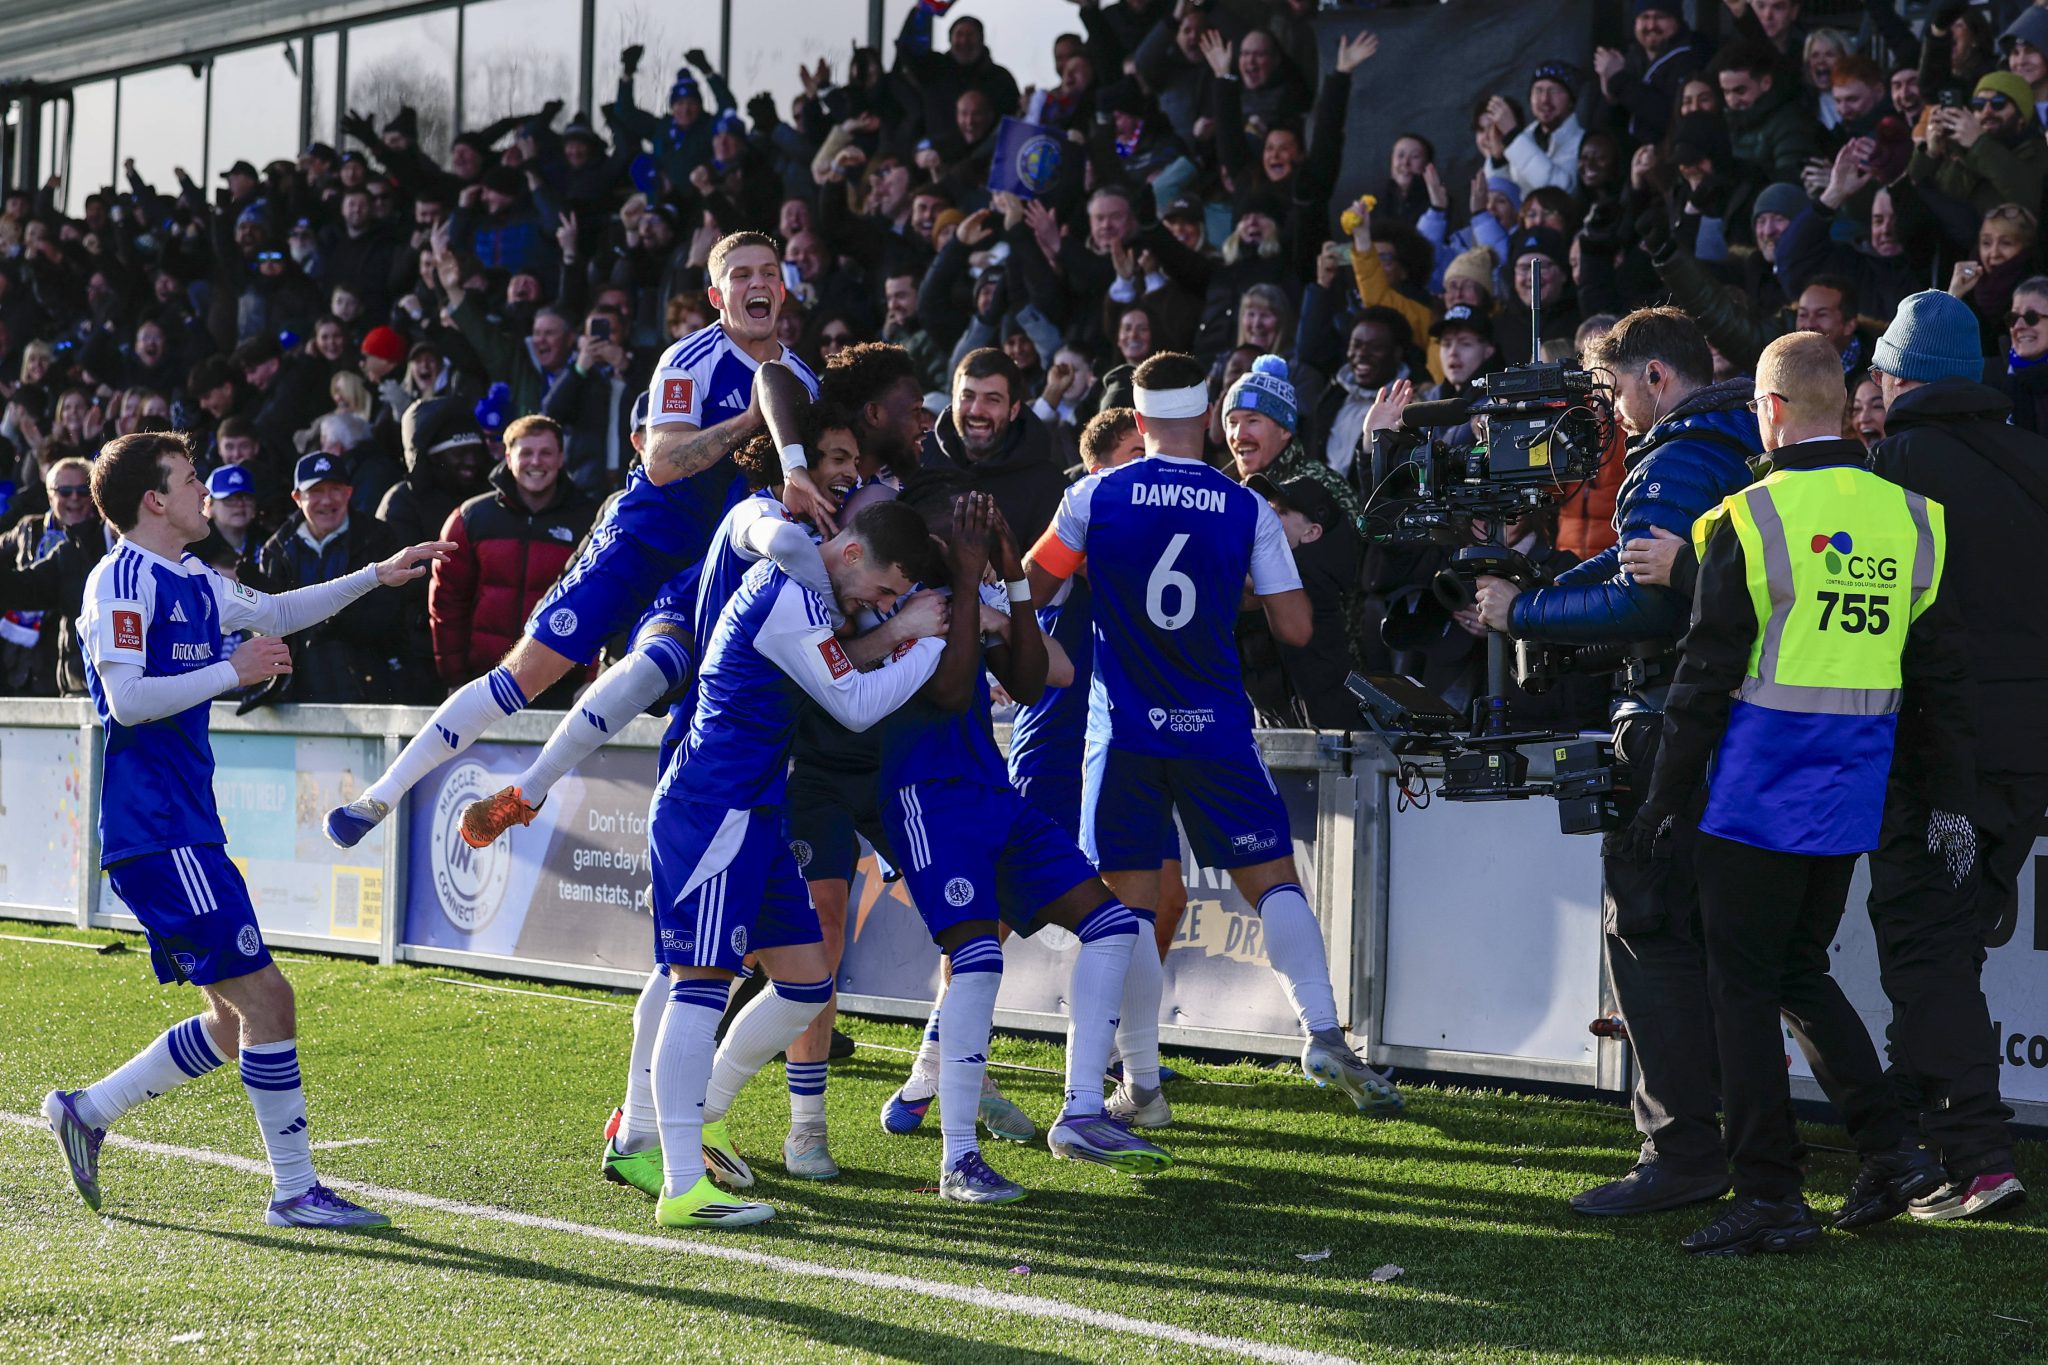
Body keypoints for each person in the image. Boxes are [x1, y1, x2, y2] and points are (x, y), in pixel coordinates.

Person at [40, 430, 450, 1230]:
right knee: (271, 1000)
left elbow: (279, 611)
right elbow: (125, 701)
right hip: (156, 829)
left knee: (235, 1021)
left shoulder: (193, 575)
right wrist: (237, 670)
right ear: (155, 499)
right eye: (191, 480)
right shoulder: (120, 580)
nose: (205, 493)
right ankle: (294, 1189)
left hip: (183, 824)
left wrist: (376, 574)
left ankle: (86, 1112)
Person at [1620, 331, 1967, 1254]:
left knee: (1741, 987)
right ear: (1848, 405)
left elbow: (1701, 682)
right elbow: (1934, 671)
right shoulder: (1915, 519)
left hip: (1756, 789)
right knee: (1797, 971)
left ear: (1767, 411)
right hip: (1851, 788)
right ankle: (1892, 1149)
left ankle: (1771, 1191)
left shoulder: (1746, 518)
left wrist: (1661, 799)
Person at [324, 233, 827, 848]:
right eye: (741, 275)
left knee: (659, 671)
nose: (757, 284)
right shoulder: (686, 360)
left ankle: (529, 794)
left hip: (715, 561)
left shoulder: (804, 380)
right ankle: (379, 798)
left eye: (768, 273)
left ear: (783, 287)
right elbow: (665, 462)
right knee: (523, 674)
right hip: (642, 537)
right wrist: (749, 420)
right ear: (717, 294)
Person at [1025, 352, 1398, 1116]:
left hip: (1125, 730)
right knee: (1274, 881)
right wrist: (1236, 589)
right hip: (1216, 729)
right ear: (1204, 419)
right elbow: (1296, 625)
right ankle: (1323, 1032)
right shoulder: (1244, 507)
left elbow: (1032, 587)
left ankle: (1142, 1085)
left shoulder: (1094, 495)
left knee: (1126, 914)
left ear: (1136, 421)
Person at [1474, 307, 1758, 1218]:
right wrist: (1549, 590)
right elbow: (1634, 568)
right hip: (1734, 726)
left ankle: (1681, 1149)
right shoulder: (1727, 440)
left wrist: (1524, 616)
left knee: (1649, 928)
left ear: (1657, 379)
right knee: (1731, 944)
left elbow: (1648, 606)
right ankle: (1757, 1141)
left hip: (1675, 725)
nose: (1614, 413)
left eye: (1616, 389)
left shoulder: (1677, 454)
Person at [641, 500, 944, 1229]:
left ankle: (705, 1112)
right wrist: (928, 642)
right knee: (700, 986)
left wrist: (901, 629)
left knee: (807, 982)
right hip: (715, 809)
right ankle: (681, 1182)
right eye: (878, 593)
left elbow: (846, 666)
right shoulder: (790, 594)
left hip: (757, 814)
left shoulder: (806, 593)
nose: (875, 609)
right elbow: (858, 706)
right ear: (848, 555)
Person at [878, 492, 1168, 1202]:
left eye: (988, 530)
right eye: (969, 533)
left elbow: (1046, 677)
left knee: (1113, 924)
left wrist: (1012, 578)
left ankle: (1080, 1112)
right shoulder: (895, 604)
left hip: (992, 792)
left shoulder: (973, 599)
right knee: (976, 958)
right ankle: (958, 1160)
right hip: (925, 799)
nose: (979, 539)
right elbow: (948, 689)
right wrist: (976, 586)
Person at [1862, 290, 2039, 1221]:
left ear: (1904, 377)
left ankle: (1973, 1154)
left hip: (1938, 755)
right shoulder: (2034, 458)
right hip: (2028, 754)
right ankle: (1920, 1132)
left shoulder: (1897, 468)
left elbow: (1904, 630)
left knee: (1927, 947)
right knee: (1950, 941)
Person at [429, 414, 599, 702]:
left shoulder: (592, 521)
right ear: (508, 457)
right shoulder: (470, 518)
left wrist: (592, 678)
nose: (536, 462)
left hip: (562, 687)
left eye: (546, 453)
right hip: (483, 683)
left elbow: (602, 604)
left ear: (561, 458)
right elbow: (447, 603)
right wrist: (455, 678)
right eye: (526, 453)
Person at [251, 453, 406, 705]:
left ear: (349, 493)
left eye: (335, 489)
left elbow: (392, 613)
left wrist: (339, 622)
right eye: (316, 491)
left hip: (369, 687)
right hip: (298, 692)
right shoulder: (276, 550)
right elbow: (269, 631)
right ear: (297, 498)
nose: (326, 500)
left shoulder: (377, 538)